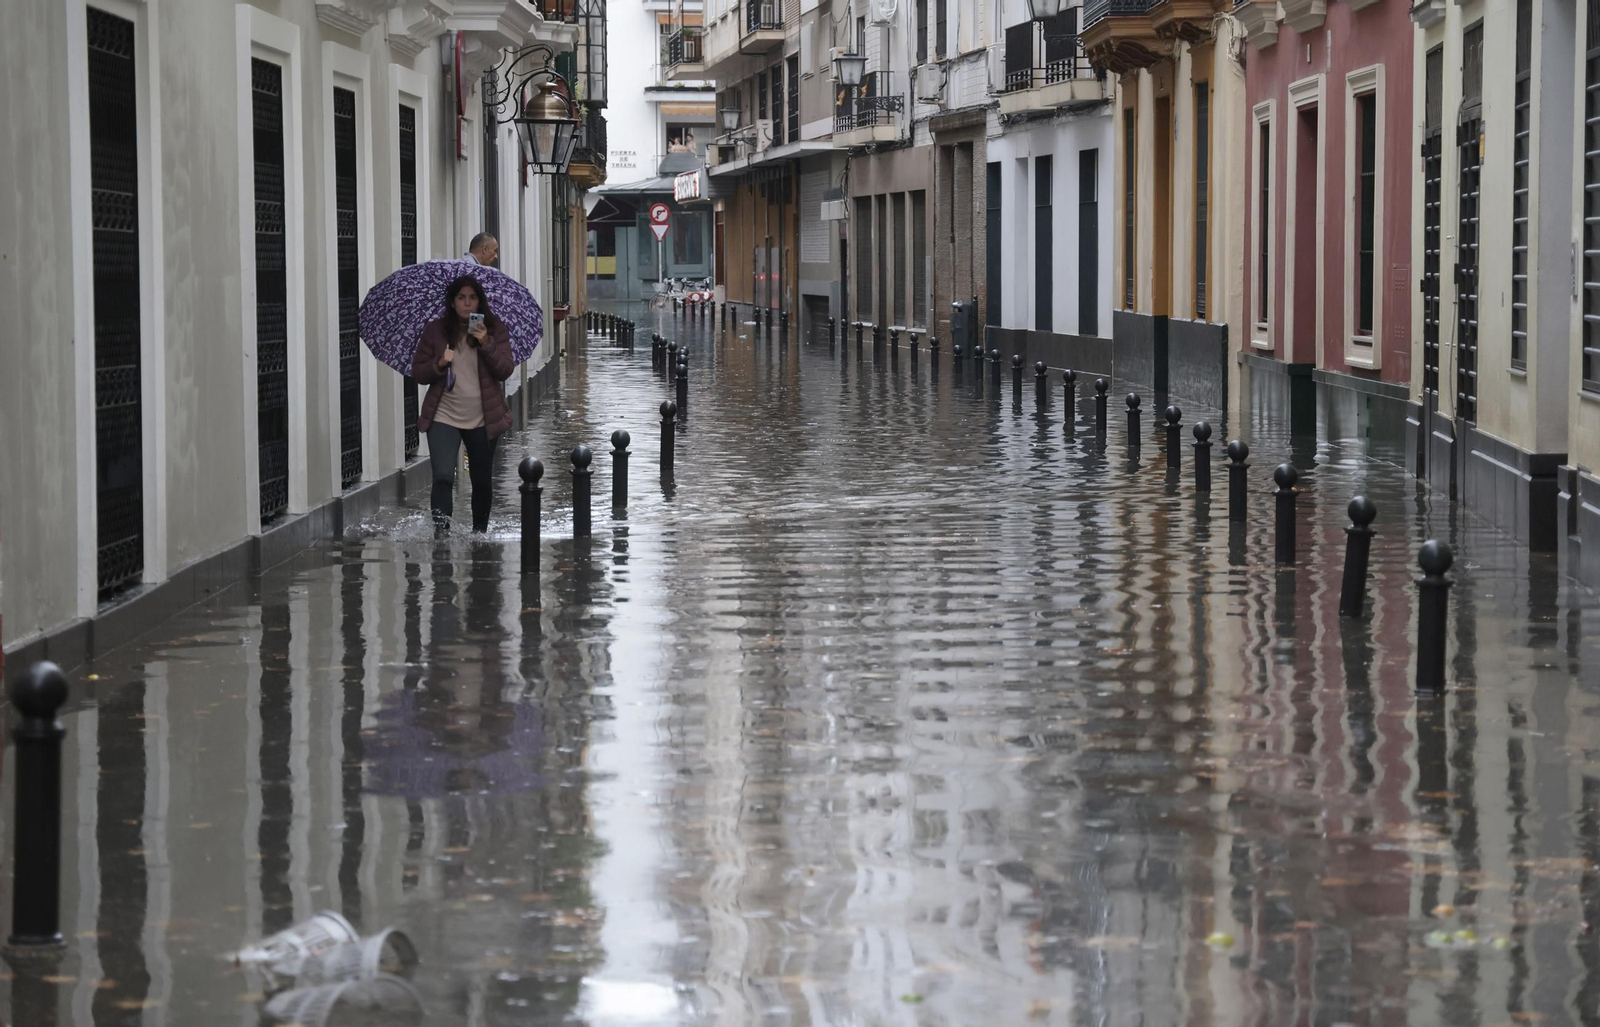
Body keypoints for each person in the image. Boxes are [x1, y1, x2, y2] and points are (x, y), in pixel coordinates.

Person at [412, 275, 515, 534]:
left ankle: (479, 536)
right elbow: (418, 372)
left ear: (480, 301)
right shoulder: (436, 330)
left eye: (472, 298)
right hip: (443, 415)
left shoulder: (493, 328)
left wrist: (486, 343)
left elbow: (505, 369)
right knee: (444, 477)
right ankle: (442, 536)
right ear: (452, 301)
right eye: (461, 298)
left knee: (481, 481)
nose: (467, 304)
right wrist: (438, 364)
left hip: (483, 417)